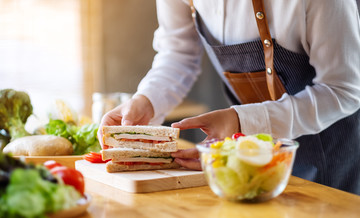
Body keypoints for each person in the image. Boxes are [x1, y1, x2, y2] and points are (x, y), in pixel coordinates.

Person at [98, 0, 360, 194]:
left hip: (337, 157)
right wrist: (147, 100)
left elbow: (344, 89)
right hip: (252, 158)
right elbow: (178, 52)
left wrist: (241, 122)